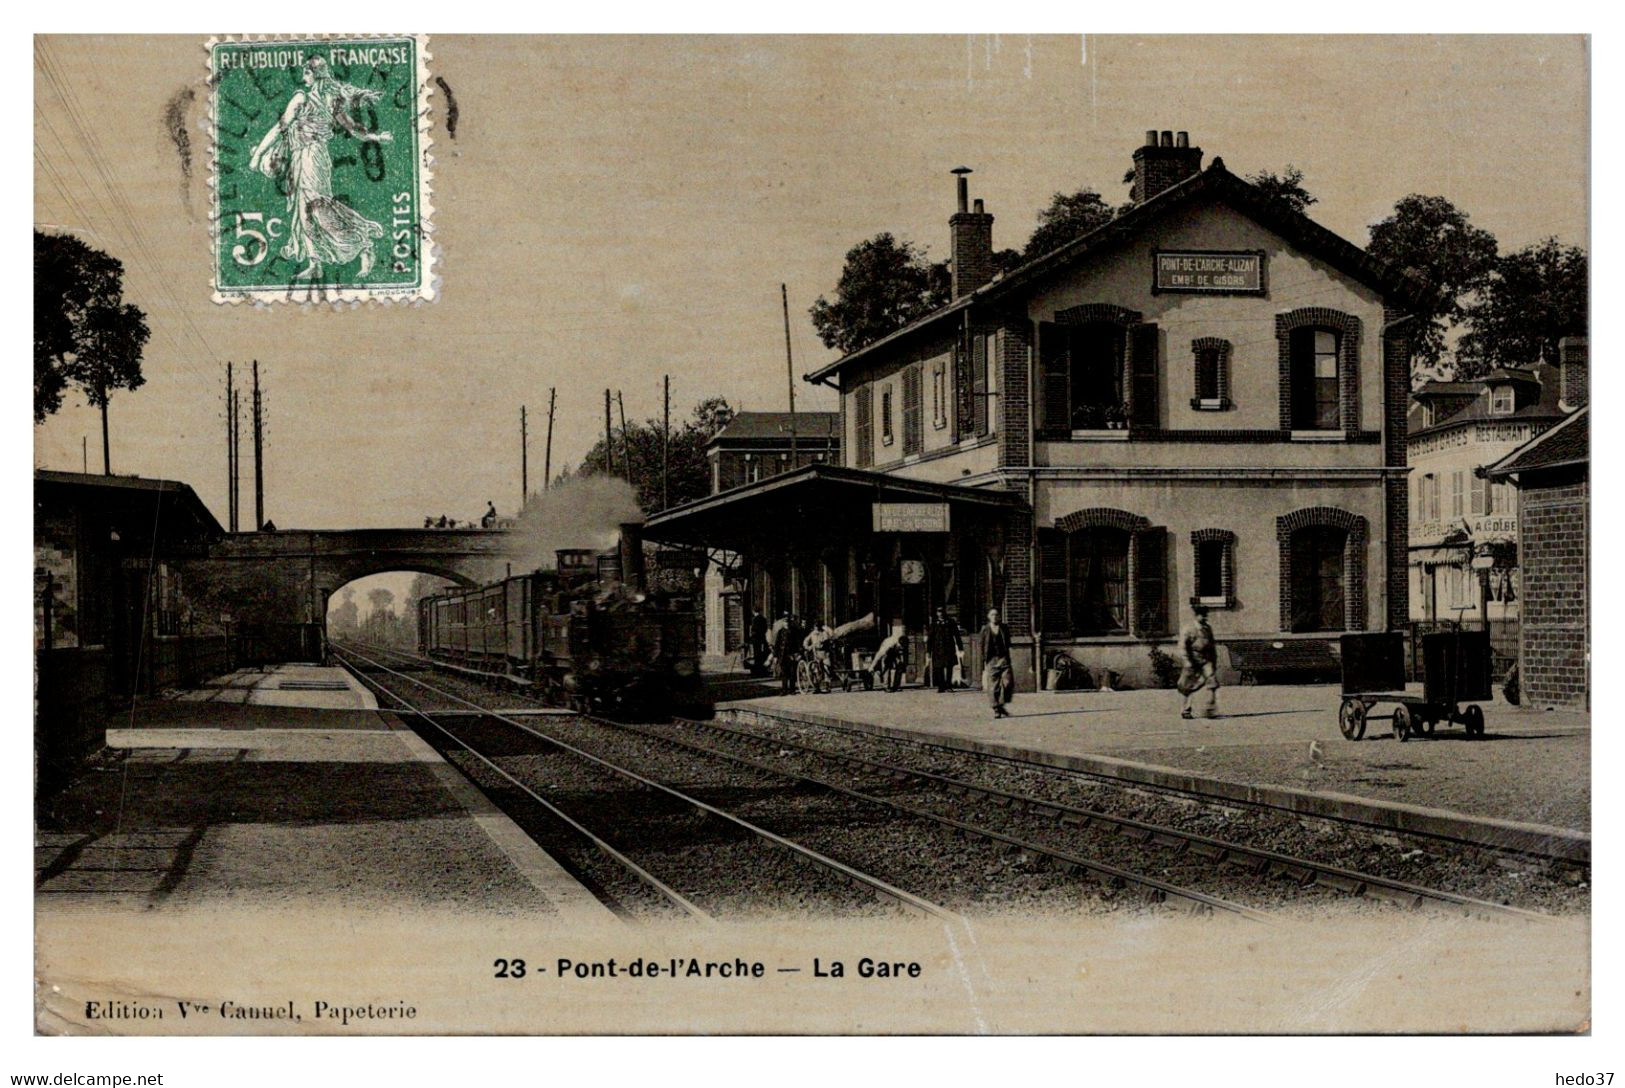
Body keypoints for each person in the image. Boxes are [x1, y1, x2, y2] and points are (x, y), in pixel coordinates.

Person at [248, 57, 391, 281]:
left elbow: (280, 127)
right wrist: (375, 136)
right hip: (305, 157)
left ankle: (364, 246)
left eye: (306, 73)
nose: (303, 77)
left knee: (318, 210)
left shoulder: (301, 98)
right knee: (304, 214)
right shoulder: (331, 99)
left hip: (311, 158)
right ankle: (315, 264)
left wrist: (257, 156)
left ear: (313, 74)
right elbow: (354, 129)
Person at [1177, 604, 1220, 719]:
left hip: (1205, 660)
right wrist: (1187, 661)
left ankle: (1210, 707)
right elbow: (1182, 646)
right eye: (1203, 615)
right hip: (1192, 660)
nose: (1205, 618)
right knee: (1186, 686)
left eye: (1206, 615)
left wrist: (1214, 660)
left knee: (1212, 681)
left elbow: (1212, 646)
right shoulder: (1188, 629)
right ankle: (1186, 709)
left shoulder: (1207, 629)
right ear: (1196, 616)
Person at [977, 608, 1014, 719]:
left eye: (996, 615)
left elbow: (1008, 643)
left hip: (1003, 658)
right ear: (989, 616)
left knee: (1008, 682)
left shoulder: (1004, 628)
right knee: (994, 685)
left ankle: (1001, 703)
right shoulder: (985, 629)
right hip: (991, 659)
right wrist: (984, 661)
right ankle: (996, 708)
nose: (994, 616)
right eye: (992, 614)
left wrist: (1007, 656)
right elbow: (982, 646)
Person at [926, 607, 962, 693]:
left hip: (949, 648)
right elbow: (930, 638)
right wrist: (928, 651)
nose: (940, 613)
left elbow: (956, 635)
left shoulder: (950, 622)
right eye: (939, 612)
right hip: (937, 649)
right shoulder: (934, 624)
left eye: (942, 612)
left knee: (949, 667)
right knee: (939, 668)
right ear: (937, 613)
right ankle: (941, 686)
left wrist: (960, 647)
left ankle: (948, 686)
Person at [872, 624, 908, 692]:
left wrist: (902, 662)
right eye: (900, 647)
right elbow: (878, 655)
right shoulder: (889, 644)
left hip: (894, 652)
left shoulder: (903, 642)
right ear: (898, 643)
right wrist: (872, 666)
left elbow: (901, 655)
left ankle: (896, 686)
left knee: (900, 665)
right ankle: (886, 686)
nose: (902, 648)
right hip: (887, 652)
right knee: (886, 667)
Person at [772, 612, 799, 695]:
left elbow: (797, 643)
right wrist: (775, 656)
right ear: (783, 622)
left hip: (791, 654)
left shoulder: (794, 631)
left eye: (787, 621)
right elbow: (777, 644)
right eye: (784, 621)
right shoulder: (780, 632)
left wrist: (797, 653)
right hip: (782, 655)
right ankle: (784, 689)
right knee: (784, 673)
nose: (786, 623)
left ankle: (792, 689)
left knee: (792, 672)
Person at [802, 621, 833, 694]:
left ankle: (827, 687)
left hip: (825, 653)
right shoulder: (812, 633)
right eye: (815, 627)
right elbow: (806, 640)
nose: (817, 629)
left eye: (818, 627)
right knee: (816, 670)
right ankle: (817, 687)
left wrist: (815, 644)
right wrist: (806, 646)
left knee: (827, 669)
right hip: (816, 654)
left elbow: (826, 639)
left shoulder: (824, 633)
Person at [749, 609, 771, 676]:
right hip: (763, 639)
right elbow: (765, 628)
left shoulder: (754, 620)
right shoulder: (763, 619)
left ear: (753, 611)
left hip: (756, 641)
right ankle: (763, 670)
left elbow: (753, 631)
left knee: (757, 656)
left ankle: (757, 671)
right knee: (763, 655)